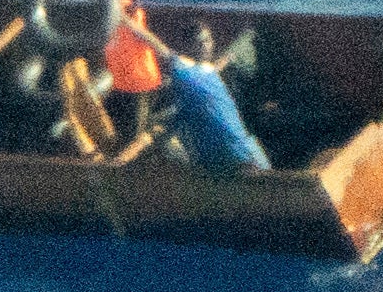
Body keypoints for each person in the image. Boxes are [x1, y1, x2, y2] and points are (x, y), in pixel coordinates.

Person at [112, 10, 269, 173]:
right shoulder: (184, 70)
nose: (205, 46)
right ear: (189, 46)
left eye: (208, 40)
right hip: (224, 162)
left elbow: (218, 65)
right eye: (199, 42)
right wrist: (125, 21)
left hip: (247, 153)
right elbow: (156, 45)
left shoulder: (210, 71)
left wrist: (233, 53)